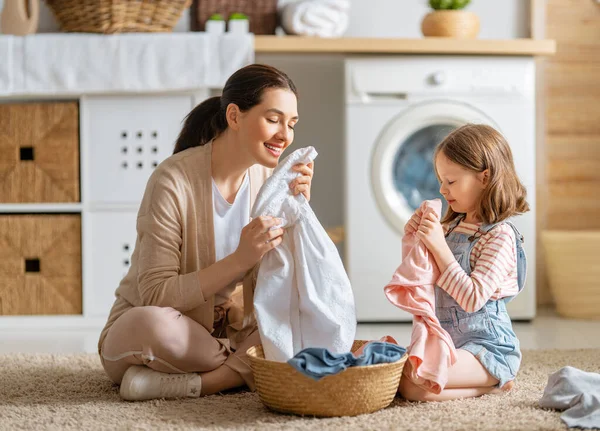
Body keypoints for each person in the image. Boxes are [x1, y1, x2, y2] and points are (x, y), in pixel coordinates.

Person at [97, 64, 314, 401]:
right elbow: (156, 294)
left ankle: (199, 382)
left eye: (291, 124)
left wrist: (299, 210)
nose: (285, 135)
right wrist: (240, 259)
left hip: (226, 333)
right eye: (273, 119)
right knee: (153, 326)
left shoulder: (269, 186)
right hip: (162, 331)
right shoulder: (173, 180)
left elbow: (284, 283)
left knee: (301, 315)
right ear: (235, 116)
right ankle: (244, 371)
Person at [400, 124, 529, 401]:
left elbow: (473, 299)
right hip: (449, 344)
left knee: (414, 386)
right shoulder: (452, 228)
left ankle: (495, 381)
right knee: (401, 374)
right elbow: (424, 276)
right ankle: (490, 385)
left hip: (488, 349)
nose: (442, 189)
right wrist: (416, 237)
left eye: (451, 181)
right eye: (441, 180)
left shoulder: (499, 236)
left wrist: (437, 245)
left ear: (485, 178)